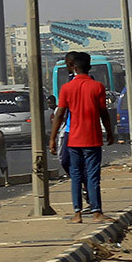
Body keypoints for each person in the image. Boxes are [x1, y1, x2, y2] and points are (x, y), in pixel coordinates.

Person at [50, 51, 115, 224]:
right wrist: (109, 132)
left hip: (74, 139)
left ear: (74, 67)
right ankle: (96, 212)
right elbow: (103, 113)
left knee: (76, 175)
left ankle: (77, 213)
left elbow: (60, 115)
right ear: (89, 67)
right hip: (92, 138)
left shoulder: (66, 88)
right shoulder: (97, 87)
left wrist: (52, 138)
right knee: (93, 175)